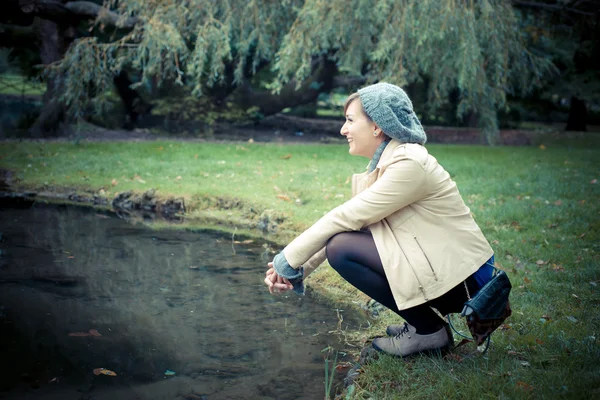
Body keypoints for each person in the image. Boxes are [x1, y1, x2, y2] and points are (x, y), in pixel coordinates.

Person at [264, 82, 495, 357]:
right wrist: (299, 270)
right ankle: (424, 326)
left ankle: (428, 331)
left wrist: (286, 261)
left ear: (377, 126)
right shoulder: (391, 161)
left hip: (464, 280)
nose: (343, 129)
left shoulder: (408, 164)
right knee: (345, 242)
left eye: (350, 120)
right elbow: (356, 226)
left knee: (342, 250)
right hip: (445, 267)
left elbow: (344, 218)